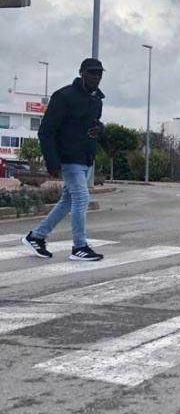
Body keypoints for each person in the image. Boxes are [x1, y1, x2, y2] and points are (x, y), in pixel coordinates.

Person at [21, 58, 108, 262]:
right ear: (82, 73)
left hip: (85, 157)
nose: (96, 77)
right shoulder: (64, 96)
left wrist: (100, 130)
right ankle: (79, 246)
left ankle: (36, 236)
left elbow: (95, 124)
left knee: (67, 201)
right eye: (92, 73)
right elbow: (46, 131)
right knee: (81, 197)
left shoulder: (96, 101)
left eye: (100, 74)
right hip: (68, 158)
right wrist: (52, 161)